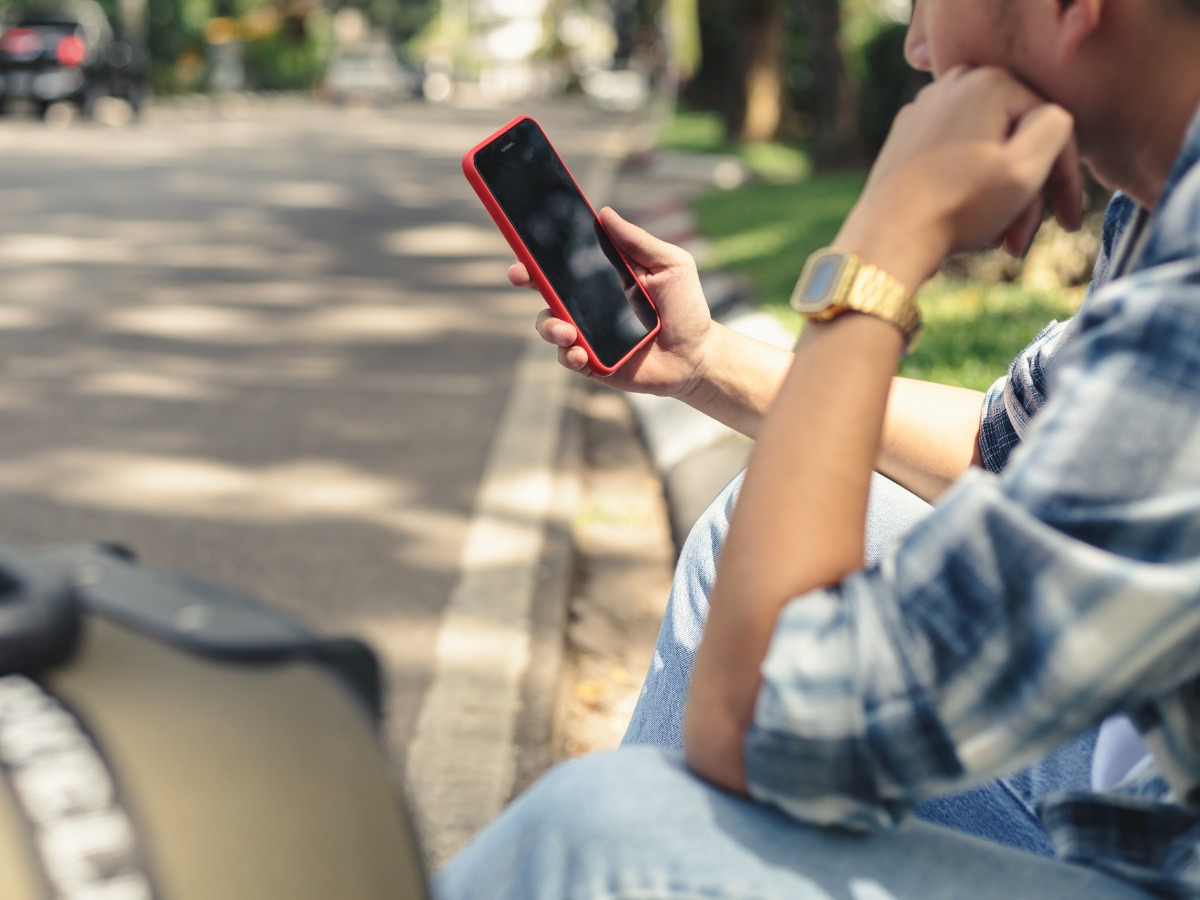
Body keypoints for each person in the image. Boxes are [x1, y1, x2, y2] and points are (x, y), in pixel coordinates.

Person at [436, 0, 1200, 896]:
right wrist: (707, 362)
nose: (917, 48)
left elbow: (763, 725)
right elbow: (1016, 453)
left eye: (925, 5)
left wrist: (884, 243)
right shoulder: (1161, 215)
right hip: (1152, 771)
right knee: (752, 538)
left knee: (598, 832)